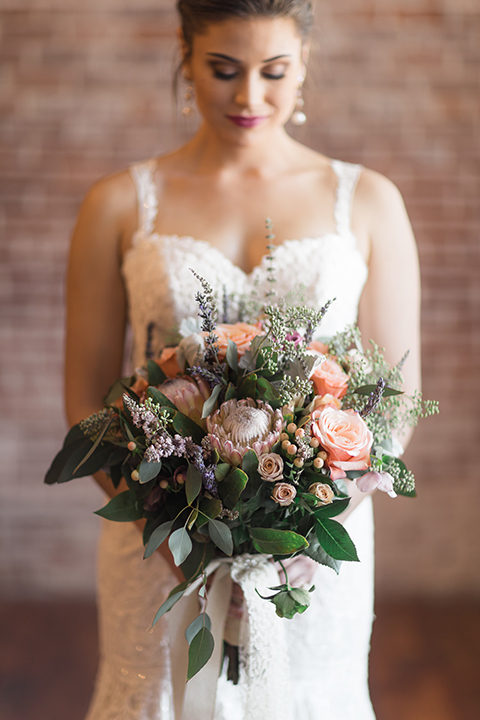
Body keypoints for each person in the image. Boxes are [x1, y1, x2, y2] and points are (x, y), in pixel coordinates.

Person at [65, 1, 421, 718]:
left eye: (274, 71)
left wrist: (317, 522)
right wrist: (154, 523)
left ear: (304, 65)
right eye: (223, 70)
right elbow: (85, 397)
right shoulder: (115, 204)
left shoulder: (371, 202)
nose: (249, 96)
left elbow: (397, 399)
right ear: (185, 55)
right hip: (156, 545)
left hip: (316, 548)